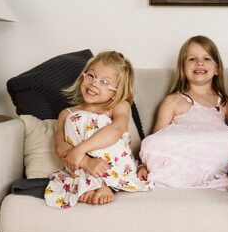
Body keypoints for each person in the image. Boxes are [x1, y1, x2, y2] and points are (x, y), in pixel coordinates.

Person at [44, 50, 153, 209]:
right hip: (80, 166)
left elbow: (116, 130)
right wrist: (85, 161)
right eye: (91, 76)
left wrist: (82, 149)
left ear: (118, 90)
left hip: (113, 165)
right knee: (74, 120)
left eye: (105, 82)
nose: (95, 83)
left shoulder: (118, 106)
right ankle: (91, 182)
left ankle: (101, 184)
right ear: (83, 76)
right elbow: (60, 146)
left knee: (103, 127)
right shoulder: (66, 113)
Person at [138, 36, 228, 191]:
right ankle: (178, 177)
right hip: (180, 159)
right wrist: (143, 164)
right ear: (182, 68)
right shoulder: (173, 101)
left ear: (217, 69)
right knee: (149, 142)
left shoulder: (227, 104)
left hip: (209, 161)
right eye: (192, 59)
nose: (199, 63)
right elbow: (157, 142)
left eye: (207, 58)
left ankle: (188, 179)